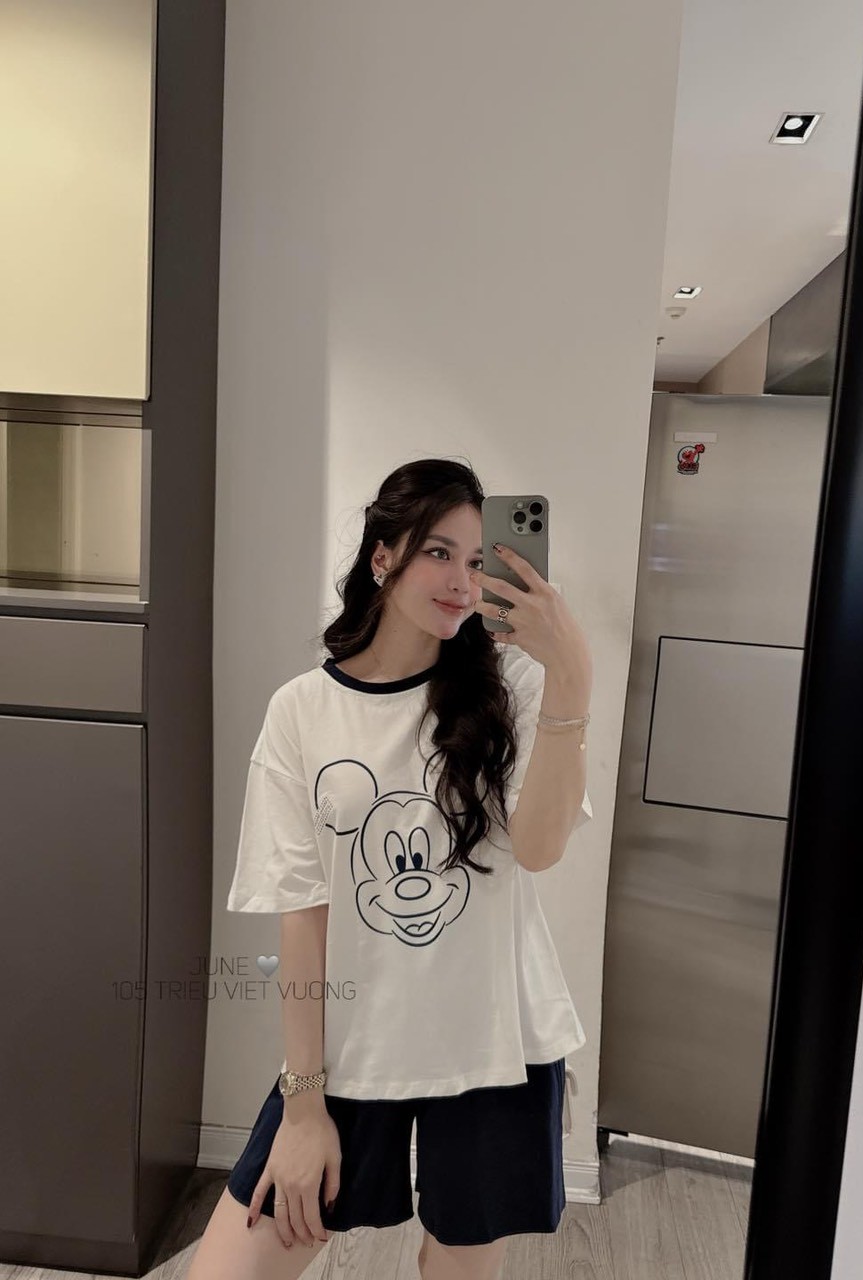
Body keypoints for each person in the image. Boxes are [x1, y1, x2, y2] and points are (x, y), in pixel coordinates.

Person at [185, 458, 593, 1280]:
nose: (462, 582)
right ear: (384, 555)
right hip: (352, 1048)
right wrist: (303, 1106)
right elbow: (303, 915)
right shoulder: (303, 710)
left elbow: (541, 849)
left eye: (477, 561)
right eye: (439, 552)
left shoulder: (512, 686)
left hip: (494, 1044)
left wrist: (571, 674)